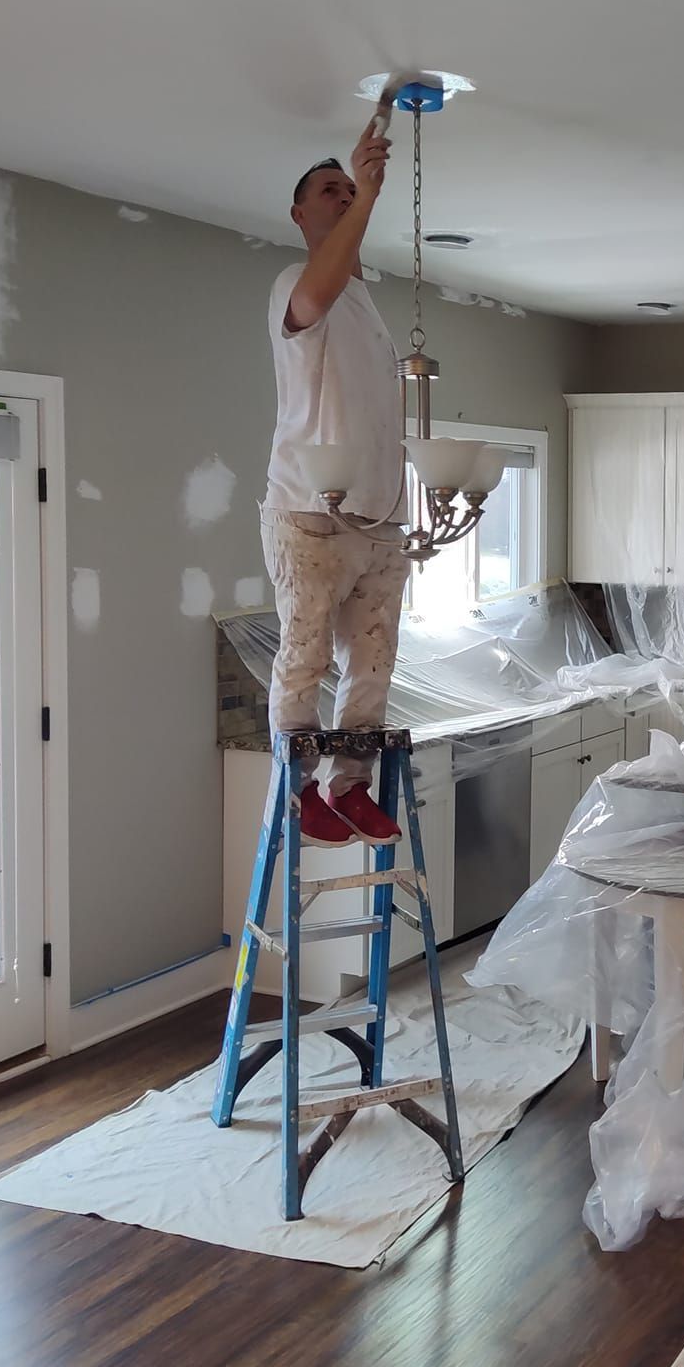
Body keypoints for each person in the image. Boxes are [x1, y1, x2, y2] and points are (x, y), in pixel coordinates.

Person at [260, 118, 410, 849]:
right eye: (330, 191)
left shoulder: (367, 306)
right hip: (310, 507)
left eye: (349, 191)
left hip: (380, 512)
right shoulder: (295, 284)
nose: (345, 197)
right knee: (307, 652)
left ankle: (349, 786)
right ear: (299, 213)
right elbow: (317, 290)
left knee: (373, 660)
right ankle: (299, 791)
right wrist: (370, 196)